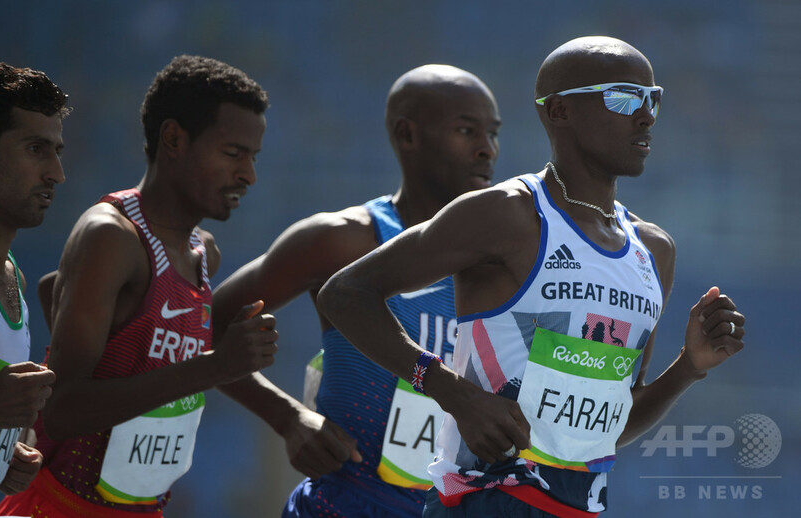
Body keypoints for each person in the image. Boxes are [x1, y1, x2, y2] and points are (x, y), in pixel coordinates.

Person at [317, 36, 746, 517]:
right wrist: (449, 390)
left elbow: (609, 427)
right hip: (484, 504)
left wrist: (689, 366)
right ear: (560, 111)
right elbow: (345, 292)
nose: (645, 115)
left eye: (653, 99)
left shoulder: (654, 250)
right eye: (623, 97)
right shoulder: (505, 215)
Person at [0, 55, 279, 518]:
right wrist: (213, 368)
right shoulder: (112, 236)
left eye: (253, 157)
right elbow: (62, 410)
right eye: (233, 153)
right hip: (60, 506)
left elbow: (52, 287)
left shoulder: (205, 252)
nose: (248, 174)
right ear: (173, 139)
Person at [211, 64, 500, 517]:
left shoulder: (504, 261)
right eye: (467, 130)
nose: (487, 150)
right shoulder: (340, 241)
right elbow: (204, 324)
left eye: (493, 133)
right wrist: (288, 418)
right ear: (407, 135)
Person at [0, 62, 68, 504]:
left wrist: (4, 460)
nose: (57, 173)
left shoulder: (13, 276)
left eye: (57, 150)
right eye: (36, 149)